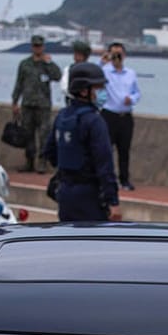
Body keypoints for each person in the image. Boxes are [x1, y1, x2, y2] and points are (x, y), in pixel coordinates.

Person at [44, 62, 122, 223]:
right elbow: (104, 164)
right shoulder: (94, 120)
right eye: (98, 88)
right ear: (84, 91)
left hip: (65, 193)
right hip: (89, 195)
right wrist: (113, 201)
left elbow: (49, 152)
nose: (102, 93)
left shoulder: (62, 116)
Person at [10, 34, 62, 173]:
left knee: (44, 135)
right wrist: (15, 101)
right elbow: (19, 83)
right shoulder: (24, 64)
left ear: (43, 47)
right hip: (27, 104)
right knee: (28, 135)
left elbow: (58, 76)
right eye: (35, 46)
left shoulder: (47, 64)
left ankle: (42, 162)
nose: (37, 48)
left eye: (39, 46)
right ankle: (29, 161)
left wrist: (49, 63)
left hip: (43, 105)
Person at [99, 42, 141, 189]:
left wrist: (133, 99)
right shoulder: (105, 71)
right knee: (106, 150)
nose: (117, 57)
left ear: (125, 56)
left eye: (120, 54)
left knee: (124, 150)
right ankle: (106, 179)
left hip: (126, 116)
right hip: (109, 115)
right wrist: (102, 61)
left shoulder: (131, 73)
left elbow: (137, 92)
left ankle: (124, 180)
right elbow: (94, 78)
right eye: (114, 54)